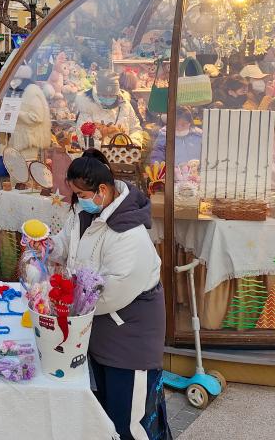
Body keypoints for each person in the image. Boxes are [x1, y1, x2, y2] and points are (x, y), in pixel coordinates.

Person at [50, 149, 168, 440]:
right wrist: (47, 246)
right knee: (107, 415)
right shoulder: (84, 214)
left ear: (102, 190)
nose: (77, 199)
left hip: (129, 337)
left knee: (131, 421)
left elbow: (112, 294)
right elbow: (67, 244)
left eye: (80, 193)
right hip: (100, 329)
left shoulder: (130, 234)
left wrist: (66, 305)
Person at [75, 71, 145, 147]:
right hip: (96, 156)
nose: (108, 98)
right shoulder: (87, 106)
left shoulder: (125, 105)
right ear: (98, 93)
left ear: (117, 93)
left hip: (123, 156)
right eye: (104, 95)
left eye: (112, 95)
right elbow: (82, 136)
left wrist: (133, 143)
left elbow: (135, 128)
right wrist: (105, 147)